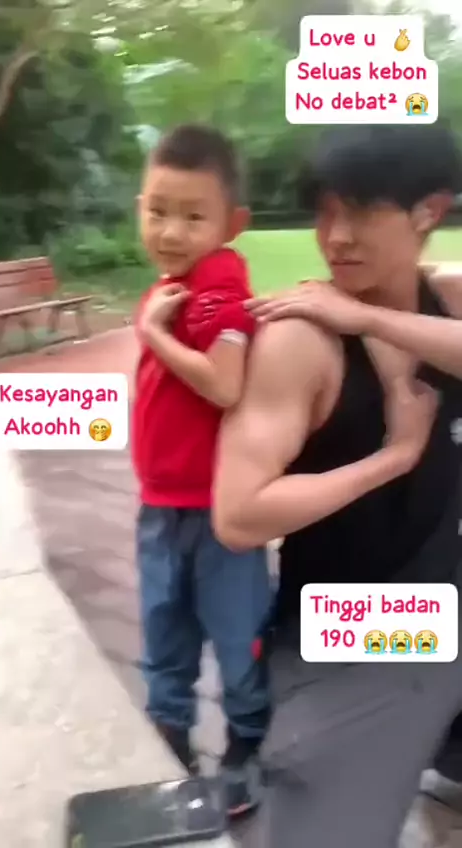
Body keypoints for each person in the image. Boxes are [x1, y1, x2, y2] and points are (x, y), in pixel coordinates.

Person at [212, 124, 462, 847]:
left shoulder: (445, 296)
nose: (336, 237)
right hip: (362, 630)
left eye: (361, 212)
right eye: (325, 211)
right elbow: (238, 514)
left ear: (428, 211)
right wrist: (392, 457)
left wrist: (370, 317)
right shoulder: (302, 340)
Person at [131, 124, 272, 816]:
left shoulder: (216, 281)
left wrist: (152, 334)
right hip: (161, 503)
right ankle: (168, 733)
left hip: (218, 511)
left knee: (236, 631)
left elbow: (223, 382)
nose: (170, 231)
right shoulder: (175, 283)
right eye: (158, 211)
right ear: (139, 208)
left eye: (193, 216)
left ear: (231, 225)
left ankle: (250, 739)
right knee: (164, 628)